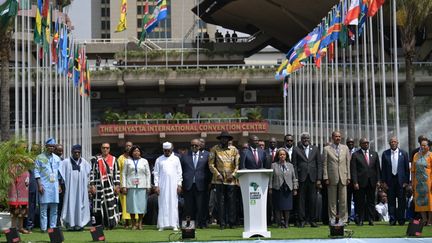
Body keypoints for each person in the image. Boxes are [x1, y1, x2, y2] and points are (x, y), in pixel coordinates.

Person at [208, 131, 240, 229]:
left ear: (228, 139)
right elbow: (210, 164)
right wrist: (217, 174)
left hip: (231, 181)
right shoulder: (214, 149)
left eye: (226, 138)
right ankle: (222, 223)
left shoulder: (234, 150)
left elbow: (238, 164)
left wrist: (233, 175)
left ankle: (232, 223)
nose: (224, 140)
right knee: (220, 203)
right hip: (219, 180)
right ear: (220, 139)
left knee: (231, 202)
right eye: (222, 138)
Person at [292, 132, 322, 227]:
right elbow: (294, 165)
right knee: (301, 200)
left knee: (312, 200)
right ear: (301, 139)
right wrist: (296, 179)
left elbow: (319, 165)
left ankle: (312, 220)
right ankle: (302, 220)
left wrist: (318, 179)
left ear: (310, 139)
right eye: (304, 138)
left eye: (307, 138)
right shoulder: (296, 149)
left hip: (313, 179)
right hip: (301, 178)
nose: (306, 140)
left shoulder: (315, 149)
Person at [59, 144, 92, 231]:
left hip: (81, 189)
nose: (77, 154)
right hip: (70, 190)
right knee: (70, 204)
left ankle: (80, 224)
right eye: (75, 152)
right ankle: (70, 224)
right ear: (71, 152)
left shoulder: (84, 162)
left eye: (78, 152)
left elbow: (89, 172)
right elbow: (61, 174)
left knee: (81, 204)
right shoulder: (66, 162)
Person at [180, 139, 211, 228]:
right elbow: (180, 170)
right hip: (188, 185)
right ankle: (189, 225)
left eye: (196, 145)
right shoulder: (185, 156)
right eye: (192, 145)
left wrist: (209, 182)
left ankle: (202, 224)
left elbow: (209, 171)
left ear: (199, 146)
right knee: (189, 207)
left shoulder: (206, 155)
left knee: (201, 206)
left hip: (201, 184)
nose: (194, 147)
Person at [350, 138, 380, 226]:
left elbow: (377, 169)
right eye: (364, 143)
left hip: (372, 182)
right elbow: (353, 170)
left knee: (371, 202)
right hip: (360, 182)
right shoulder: (356, 155)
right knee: (360, 202)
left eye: (367, 143)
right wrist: (355, 182)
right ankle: (360, 219)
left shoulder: (374, 154)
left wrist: (378, 180)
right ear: (360, 144)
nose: (366, 144)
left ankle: (371, 219)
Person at [90, 143, 120, 229]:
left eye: (107, 148)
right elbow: (92, 173)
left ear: (109, 149)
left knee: (110, 204)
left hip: (110, 186)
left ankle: (110, 224)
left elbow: (117, 173)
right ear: (101, 149)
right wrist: (92, 185)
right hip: (98, 186)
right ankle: (99, 224)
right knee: (98, 206)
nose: (105, 149)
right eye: (103, 148)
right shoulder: (96, 160)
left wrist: (117, 185)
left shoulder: (114, 159)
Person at [154, 142, 183, 231]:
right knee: (163, 204)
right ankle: (162, 225)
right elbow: (156, 173)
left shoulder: (176, 159)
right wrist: (156, 186)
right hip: (162, 186)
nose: (167, 152)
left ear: (171, 150)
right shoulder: (159, 159)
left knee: (173, 204)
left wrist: (179, 184)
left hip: (173, 186)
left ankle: (174, 224)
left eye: (168, 150)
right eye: (165, 150)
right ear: (163, 150)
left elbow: (179, 173)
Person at [323, 131, 351, 223]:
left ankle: (343, 219)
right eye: (336, 136)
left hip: (343, 176)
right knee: (332, 201)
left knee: (343, 200)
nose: (338, 138)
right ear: (332, 137)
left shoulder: (345, 148)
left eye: (339, 136)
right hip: (332, 177)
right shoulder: (327, 149)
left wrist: (348, 177)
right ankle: (332, 219)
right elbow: (325, 164)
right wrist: (326, 177)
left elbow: (348, 163)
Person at [34, 138, 62, 232]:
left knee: (54, 208)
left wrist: (59, 185)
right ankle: (43, 228)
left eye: (53, 146)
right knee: (43, 208)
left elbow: (59, 173)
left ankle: (52, 228)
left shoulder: (57, 158)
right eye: (49, 146)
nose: (51, 148)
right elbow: (36, 172)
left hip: (54, 186)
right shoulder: (39, 157)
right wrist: (39, 185)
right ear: (46, 147)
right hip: (44, 185)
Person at [381, 137, 410, 225]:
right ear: (389, 143)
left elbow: (406, 169)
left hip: (401, 181)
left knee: (401, 201)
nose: (393, 143)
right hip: (390, 181)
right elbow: (383, 169)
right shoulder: (385, 154)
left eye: (395, 142)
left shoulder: (404, 153)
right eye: (391, 142)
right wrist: (384, 182)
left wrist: (406, 182)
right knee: (391, 201)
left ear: (397, 143)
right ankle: (392, 220)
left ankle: (401, 220)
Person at [121, 145, 151, 230]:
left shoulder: (144, 161)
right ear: (131, 152)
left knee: (141, 206)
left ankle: (140, 223)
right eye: (134, 151)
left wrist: (148, 186)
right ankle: (133, 223)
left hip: (142, 186)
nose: (136, 152)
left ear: (140, 152)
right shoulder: (127, 161)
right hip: (130, 186)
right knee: (132, 205)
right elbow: (124, 174)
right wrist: (124, 186)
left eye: (138, 151)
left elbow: (148, 174)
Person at [270, 148, 298, 228]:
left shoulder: (290, 165)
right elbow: (271, 178)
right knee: (278, 207)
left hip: (288, 189)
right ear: (278, 156)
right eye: (280, 154)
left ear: (286, 156)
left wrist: (295, 188)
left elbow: (294, 177)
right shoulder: (274, 165)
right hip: (277, 188)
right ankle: (279, 223)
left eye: (284, 154)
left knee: (287, 207)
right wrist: (270, 188)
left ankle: (286, 223)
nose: (282, 156)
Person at [8, 150, 30, 234]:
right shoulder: (12, 166)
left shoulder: (25, 166)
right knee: (14, 212)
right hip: (15, 193)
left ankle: (21, 228)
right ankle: (13, 229)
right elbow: (12, 178)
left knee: (23, 211)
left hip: (24, 192)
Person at [411, 137, 432, 225]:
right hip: (418, 183)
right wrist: (412, 182)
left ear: (428, 147)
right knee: (420, 202)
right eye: (421, 145)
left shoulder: (431, 155)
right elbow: (412, 170)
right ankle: (424, 219)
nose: (422, 147)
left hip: (428, 182)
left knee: (430, 202)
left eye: (424, 145)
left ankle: (430, 220)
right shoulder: (416, 155)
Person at [117, 141, 136, 228]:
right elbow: (117, 172)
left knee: (134, 203)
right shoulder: (120, 158)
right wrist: (119, 185)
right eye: (127, 145)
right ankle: (127, 222)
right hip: (123, 185)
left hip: (133, 184)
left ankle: (135, 222)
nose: (128, 147)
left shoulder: (135, 158)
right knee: (125, 204)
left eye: (130, 146)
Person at [346, 137, 357, 222]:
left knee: (357, 199)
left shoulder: (358, 152)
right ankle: (348, 216)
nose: (350, 143)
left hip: (356, 180)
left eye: (352, 142)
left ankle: (357, 217)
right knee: (347, 199)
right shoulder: (344, 151)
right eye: (349, 142)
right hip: (346, 180)